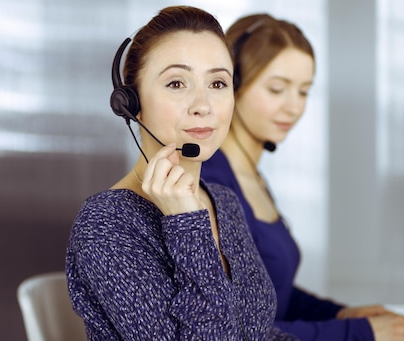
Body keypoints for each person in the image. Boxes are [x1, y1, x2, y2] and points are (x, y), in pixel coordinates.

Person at [201, 13, 404, 341]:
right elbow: (236, 329)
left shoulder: (251, 176)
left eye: (304, 92)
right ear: (233, 84)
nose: (293, 107)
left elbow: (272, 297)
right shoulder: (211, 182)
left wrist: (340, 314)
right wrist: (360, 332)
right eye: (277, 89)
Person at [65, 6, 299, 340]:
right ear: (131, 102)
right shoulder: (106, 224)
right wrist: (188, 226)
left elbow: (255, 332)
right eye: (177, 83)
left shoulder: (222, 201)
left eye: (218, 83)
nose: (203, 104)